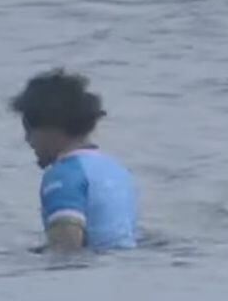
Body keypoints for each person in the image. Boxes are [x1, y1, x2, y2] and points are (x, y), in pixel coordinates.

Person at [8, 68, 138, 250]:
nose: (27, 140)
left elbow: (66, 252)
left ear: (52, 127)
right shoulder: (117, 170)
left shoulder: (63, 176)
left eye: (30, 130)